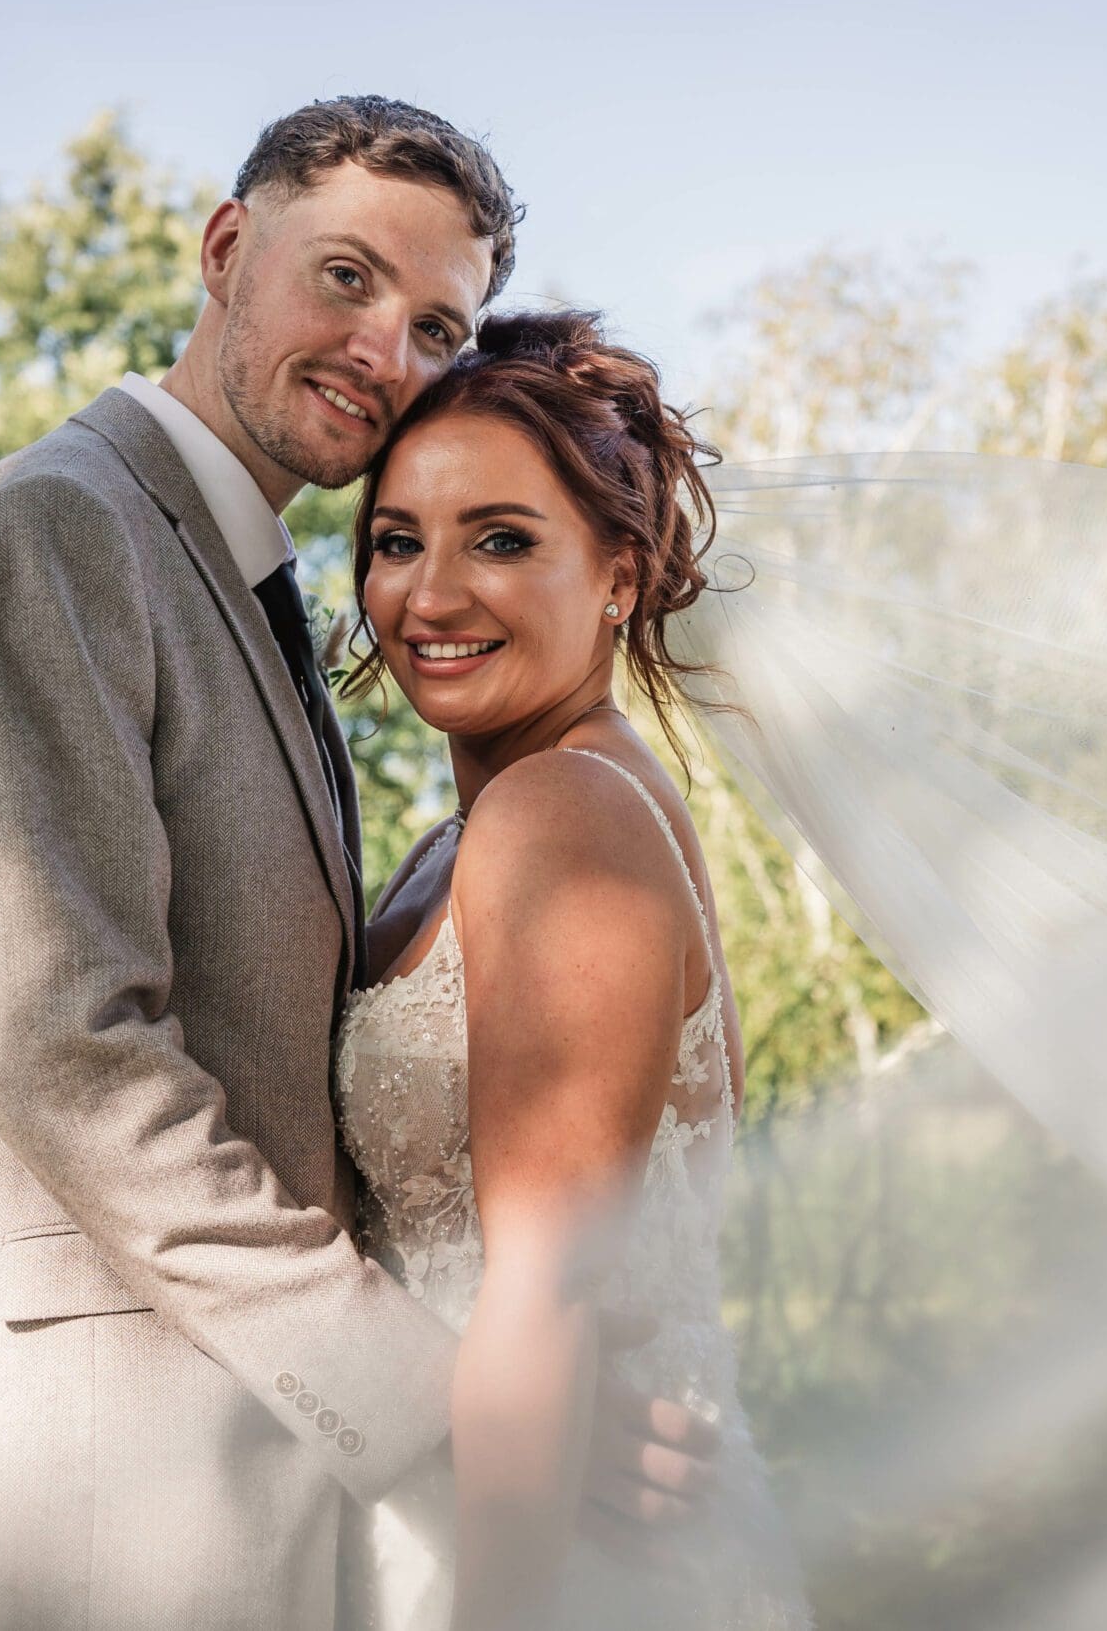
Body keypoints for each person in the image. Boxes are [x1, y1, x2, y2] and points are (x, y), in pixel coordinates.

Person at [0, 96, 719, 1631]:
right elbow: (71, 1053)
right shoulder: (64, 528)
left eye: (432, 322)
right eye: (346, 277)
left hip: (283, 1487)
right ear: (224, 250)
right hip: (105, 1487)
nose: (384, 351)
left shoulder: (257, 592)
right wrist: (446, 1399)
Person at [334, 309, 810, 1630]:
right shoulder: (466, 840)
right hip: (482, 1499)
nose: (430, 595)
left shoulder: (565, 818)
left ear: (620, 573)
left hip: (554, 1564)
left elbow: (536, 1304)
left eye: (501, 539)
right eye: (395, 541)